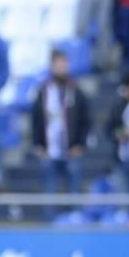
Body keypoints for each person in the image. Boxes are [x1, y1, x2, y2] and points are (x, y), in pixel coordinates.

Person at [31, 49, 91, 195]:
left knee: (74, 191)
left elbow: (86, 120)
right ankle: (50, 218)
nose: (62, 68)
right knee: (49, 192)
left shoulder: (76, 91)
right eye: (58, 64)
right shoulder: (43, 92)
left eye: (64, 64)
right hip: (49, 151)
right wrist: (38, 144)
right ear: (51, 66)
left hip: (71, 151)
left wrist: (80, 145)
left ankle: (76, 218)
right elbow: (36, 119)